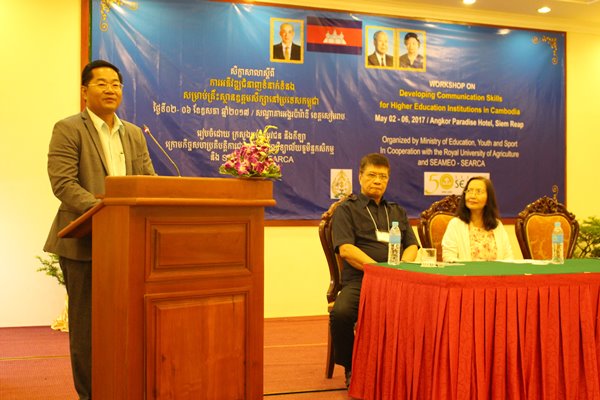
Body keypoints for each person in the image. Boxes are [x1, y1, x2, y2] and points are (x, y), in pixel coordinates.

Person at [44, 60, 156, 400]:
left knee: (128, 325)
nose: (111, 90)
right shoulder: (68, 129)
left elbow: (147, 181)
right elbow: (63, 184)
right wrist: (106, 212)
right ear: (84, 91)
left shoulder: (134, 133)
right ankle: (90, 395)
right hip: (84, 244)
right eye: (102, 84)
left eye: (116, 84)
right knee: (88, 331)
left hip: (129, 246)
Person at [329, 153, 419, 388]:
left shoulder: (396, 211)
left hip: (397, 279)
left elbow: (411, 245)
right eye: (372, 175)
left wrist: (401, 269)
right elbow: (346, 249)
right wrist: (378, 270)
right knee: (341, 313)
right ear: (360, 177)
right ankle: (351, 366)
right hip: (362, 279)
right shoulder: (346, 210)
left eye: (383, 176)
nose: (377, 181)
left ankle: (409, 366)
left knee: (428, 307)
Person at [441, 177, 514, 262]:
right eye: (469, 191)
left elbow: (509, 257)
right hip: (466, 274)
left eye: (478, 191)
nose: (472, 196)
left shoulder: (497, 225)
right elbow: (449, 257)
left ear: (488, 199)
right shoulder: (456, 224)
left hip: (496, 274)